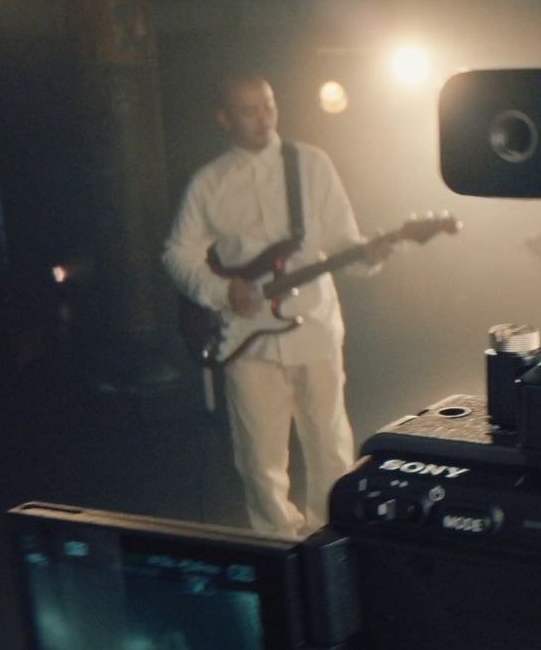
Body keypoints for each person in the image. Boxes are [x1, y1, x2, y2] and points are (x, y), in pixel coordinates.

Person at [163, 75, 391, 537]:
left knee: (330, 446)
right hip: (246, 338)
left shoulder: (311, 164)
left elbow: (343, 241)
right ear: (224, 118)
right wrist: (221, 290)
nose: (263, 117)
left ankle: (334, 541)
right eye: (248, 110)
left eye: (268, 105)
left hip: (315, 327)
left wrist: (368, 255)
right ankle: (277, 549)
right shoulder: (209, 183)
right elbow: (177, 254)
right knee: (259, 458)